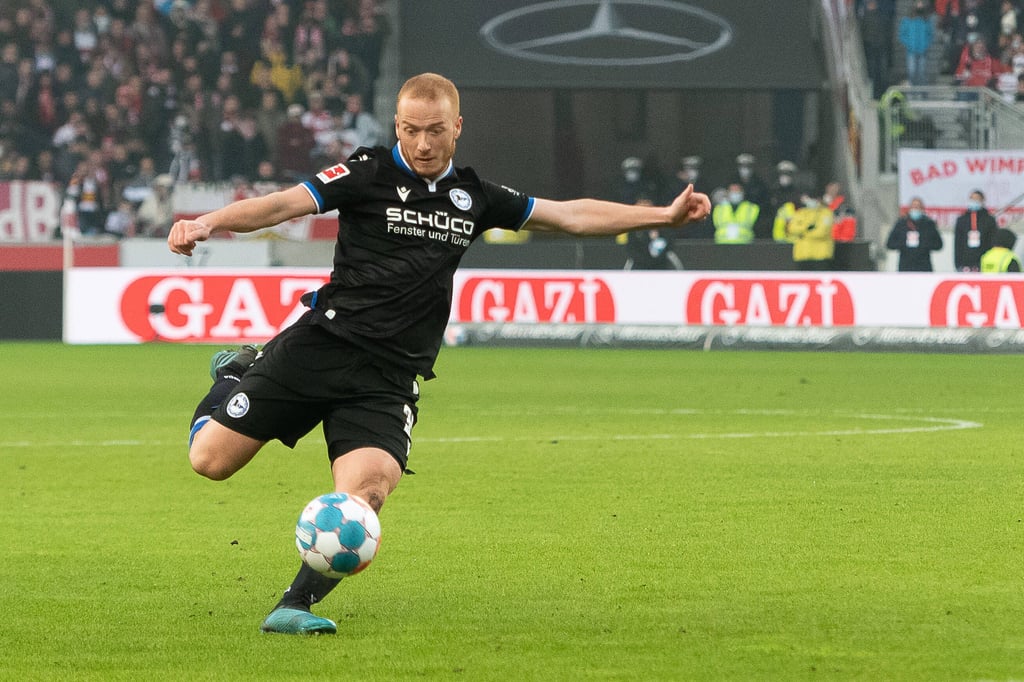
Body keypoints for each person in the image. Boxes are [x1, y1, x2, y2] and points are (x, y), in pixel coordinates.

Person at [166, 72, 711, 636]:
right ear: (396, 126)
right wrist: (208, 222)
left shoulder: (475, 198)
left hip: (388, 375)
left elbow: (569, 214)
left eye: (433, 131)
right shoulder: (367, 171)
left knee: (368, 490)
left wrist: (661, 217)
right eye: (409, 130)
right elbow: (282, 205)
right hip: (320, 346)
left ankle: (293, 606)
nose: (422, 144)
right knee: (211, 462)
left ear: (457, 127)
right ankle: (237, 372)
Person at [885, 197, 943, 271]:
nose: (915, 209)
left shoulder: (929, 224)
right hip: (905, 266)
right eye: (913, 207)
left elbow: (939, 245)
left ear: (922, 209)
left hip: (924, 266)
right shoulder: (901, 223)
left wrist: (923, 243)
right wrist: (904, 243)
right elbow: (890, 244)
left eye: (917, 207)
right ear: (909, 208)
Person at [786, 192, 835, 270]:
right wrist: (807, 228)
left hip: (820, 255)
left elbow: (821, 232)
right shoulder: (800, 213)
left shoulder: (826, 213)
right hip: (802, 254)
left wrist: (803, 234)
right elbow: (792, 228)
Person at [953, 189, 997, 271]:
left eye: (976, 199)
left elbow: (992, 241)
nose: (974, 201)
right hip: (965, 262)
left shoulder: (989, 220)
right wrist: (958, 264)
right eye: (972, 199)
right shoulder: (962, 220)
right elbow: (958, 243)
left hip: (984, 260)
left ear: (982, 201)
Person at [899, 1, 936, 86]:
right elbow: (902, 34)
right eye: (918, 2)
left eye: (921, 3)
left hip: (923, 51)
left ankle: (922, 93)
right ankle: (912, 92)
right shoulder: (907, 19)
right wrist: (908, 44)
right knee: (911, 72)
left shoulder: (927, 19)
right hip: (911, 51)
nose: (920, 5)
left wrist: (925, 45)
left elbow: (930, 34)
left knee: (921, 72)